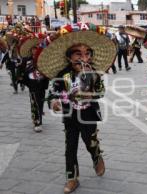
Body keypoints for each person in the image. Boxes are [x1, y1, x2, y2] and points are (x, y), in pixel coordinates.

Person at [38, 23, 117, 193]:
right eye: (78, 54)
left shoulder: (94, 73)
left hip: (88, 115)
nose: (84, 58)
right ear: (69, 57)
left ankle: (96, 156)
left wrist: (90, 94)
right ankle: (72, 178)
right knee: (70, 147)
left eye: (87, 54)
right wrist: (54, 102)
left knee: (90, 142)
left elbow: (101, 92)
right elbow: (52, 92)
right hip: (70, 116)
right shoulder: (62, 75)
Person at [19, 36, 49, 132]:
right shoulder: (26, 59)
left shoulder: (44, 59)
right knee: (34, 103)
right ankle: (37, 122)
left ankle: (39, 117)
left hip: (42, 84)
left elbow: (48, 72)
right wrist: (21, 79)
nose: (36, 50)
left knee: (40, 103)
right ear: (31, 50)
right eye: (34, 48)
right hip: (32, 84)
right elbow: (22, 70)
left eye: (38, 48)